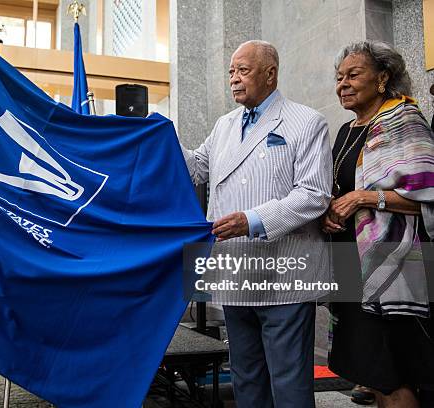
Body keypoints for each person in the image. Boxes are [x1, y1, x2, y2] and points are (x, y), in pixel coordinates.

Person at [182, 40, 333, 408]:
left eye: (243, 70)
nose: (233, 79)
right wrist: (157, 136)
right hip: (236, 271)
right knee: (246, 379)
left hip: (286, 274)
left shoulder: (306, 121)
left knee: (289, 382)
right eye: (231, 71)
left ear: (270, 73)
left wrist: (251, 220)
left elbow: (314, 194)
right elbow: (196, 167)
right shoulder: (223, 125)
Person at [323, 40, 434, 408]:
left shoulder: (404, 120)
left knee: (392, 375)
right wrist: (329, 213)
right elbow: (339, 190)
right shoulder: (345, 131)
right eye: (339, 78)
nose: (343, 85)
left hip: (393, 271)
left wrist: (365, 198)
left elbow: (427, 198)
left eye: (353, 75)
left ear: (383, 77)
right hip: (350, 268)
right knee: (371, 371)